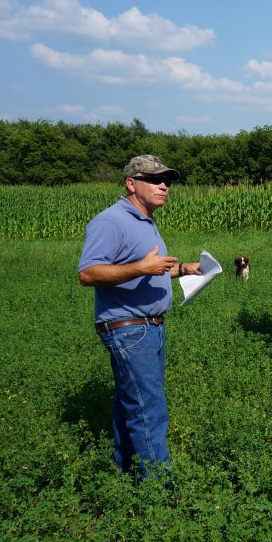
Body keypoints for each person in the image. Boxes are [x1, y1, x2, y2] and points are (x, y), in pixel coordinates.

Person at [78, 155, 203, 478]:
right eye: (155, 179)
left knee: (129, 404)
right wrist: (142, 267)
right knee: (149, 410)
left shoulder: (145, 221)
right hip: (129, 329)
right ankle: (159, 491)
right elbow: (89, 273)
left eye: (168, 181)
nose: (164, 186)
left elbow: (148, 271)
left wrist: (181, 269)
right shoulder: (111, 221)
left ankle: (127, 473)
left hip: (150, 328)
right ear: (131, 183)